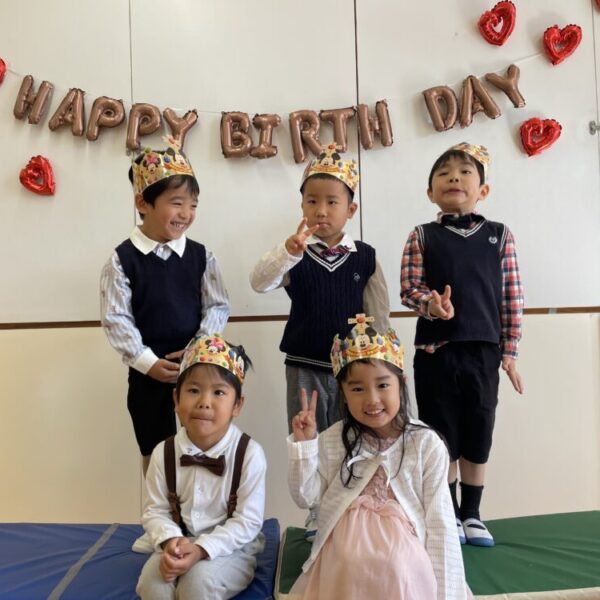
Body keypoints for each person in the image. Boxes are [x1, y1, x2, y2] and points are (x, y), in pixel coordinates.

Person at [287, 314, 469, 599]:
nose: (371, 399)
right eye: (357, 388)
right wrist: (305, 446)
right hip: (344, 560)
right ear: (343, 394)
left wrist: (447, 594)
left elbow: (440, 523)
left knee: (397, 563)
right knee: (350, 560)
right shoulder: (334, 439)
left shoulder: (425, 444)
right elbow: (305, 497)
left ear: (401, 384)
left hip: (404, 560)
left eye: (383, 385)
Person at [400, 142, 524, 547]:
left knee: (478, 433)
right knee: (441, 437)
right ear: (430, 192)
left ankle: (472, 513)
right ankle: (448, 513)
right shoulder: (422, 236)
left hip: (484, 352)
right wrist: (431, 305)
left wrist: (510, 352)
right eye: (444, 173)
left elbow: (511, 296)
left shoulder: (498, 236)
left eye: (465, 172)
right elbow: (409, 288)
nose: (454, 177)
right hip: (435, 353)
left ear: (482, 190)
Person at [100, 138, 229, 473]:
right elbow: (116, 318)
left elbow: (217, 306)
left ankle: (201, 503)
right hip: (148, 375)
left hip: (197, 371)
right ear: (143, 202)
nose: (186, 214)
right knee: (156, 450)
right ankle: (160, 505)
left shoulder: (201, 256)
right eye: (176, 203)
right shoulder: (122, 260)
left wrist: (198, 348)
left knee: (202, 444)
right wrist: (147, 363)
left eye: (193, 205)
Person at [250, 142, 390, 434]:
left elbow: (378, 314)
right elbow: (259, 283)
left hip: (353, 369)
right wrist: (286, 253)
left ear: (351, 209)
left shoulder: (365, 257)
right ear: (302, 206)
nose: (321, 211)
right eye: (312, 202)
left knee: (353, 437)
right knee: (305, 436)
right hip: (303, 364)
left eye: (332, 202)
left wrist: (378, 363)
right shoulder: (295, 253)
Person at [136, 334, 266, 600]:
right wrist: (171, 541)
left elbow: (247, 522)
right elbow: (154, 511)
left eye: (219, 392)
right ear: (176, 399)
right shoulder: (163, 452)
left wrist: (201, 549)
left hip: (232, 548)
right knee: (152, 585)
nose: (204, 402)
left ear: (237, 405)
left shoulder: (249, 454)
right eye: (194, 390)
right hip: (179, 540)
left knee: (197, 584)